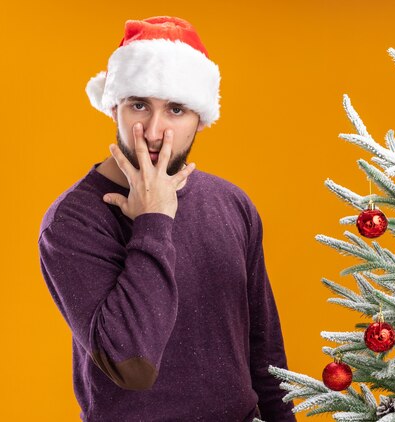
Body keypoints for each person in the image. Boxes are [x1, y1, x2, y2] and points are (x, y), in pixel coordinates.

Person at [37, 16, 296, 422]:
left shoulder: (231, 203)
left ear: (201, 120)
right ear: (114, 107)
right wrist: (154, 220)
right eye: (139, 105)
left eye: (176, 109)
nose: (155, 131)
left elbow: (265, 351)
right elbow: (131, 362)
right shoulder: (72, 222)